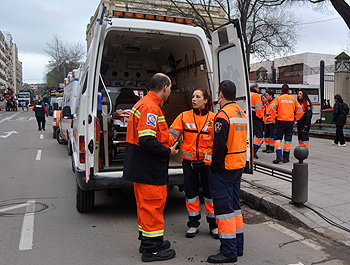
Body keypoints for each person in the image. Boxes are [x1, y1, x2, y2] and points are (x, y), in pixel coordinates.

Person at [123, 73, 178, 262]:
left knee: (146, 206)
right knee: (152, 207)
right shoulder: (150, 107)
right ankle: (151, 250)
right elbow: (147, 140)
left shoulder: (146, 104)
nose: (170, 91)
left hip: (144, 165)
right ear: (165, 88)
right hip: (149, 166)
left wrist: (169, 141)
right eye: (170, 88)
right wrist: (167, 152)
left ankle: (149, 241)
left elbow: (153, 135)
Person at [205, 80, 248, 263]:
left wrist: (214, 167)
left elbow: (219, 145)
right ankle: (238, 246)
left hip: (224, 168)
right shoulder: (240, 112)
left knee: (223, 211)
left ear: (220, 94)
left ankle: (228, 251)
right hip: (238, 166)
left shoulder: (223, 115)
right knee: (235, 207)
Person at [169, 88, 218, 239]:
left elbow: (219, 141)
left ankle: (213, 225)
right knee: (191, 194)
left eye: (198, 97)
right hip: (189, 163)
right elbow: (171, 135)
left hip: (207, 163)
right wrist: (162, 148)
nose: (194, 99)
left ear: (206, 100)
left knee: (210, 195)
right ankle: (193, 224)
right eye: (193, 97)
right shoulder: (184, 116)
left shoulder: (214, 118)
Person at [268, 84, 303, 164]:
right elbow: (300, 110)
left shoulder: (278, 99)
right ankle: (286, 158)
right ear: (288, 91)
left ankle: (279, 156)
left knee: (278, 139)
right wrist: (295, 118)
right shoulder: (293, 99)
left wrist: (275, 117)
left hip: (280, 121)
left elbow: (271, 108)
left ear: (281, 91)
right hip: (290, 121)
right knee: (288, 140)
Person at [250, 83, 264, 159]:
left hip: (248, 117)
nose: (259, 90)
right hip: (256, 118)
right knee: (259, 137)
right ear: (255, 88)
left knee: (250, 136)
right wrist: (261, 118)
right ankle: (254, 151)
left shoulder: (248, 94)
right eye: (258, 88)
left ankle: (249, 150)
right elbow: (258, 109)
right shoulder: (256, 96)